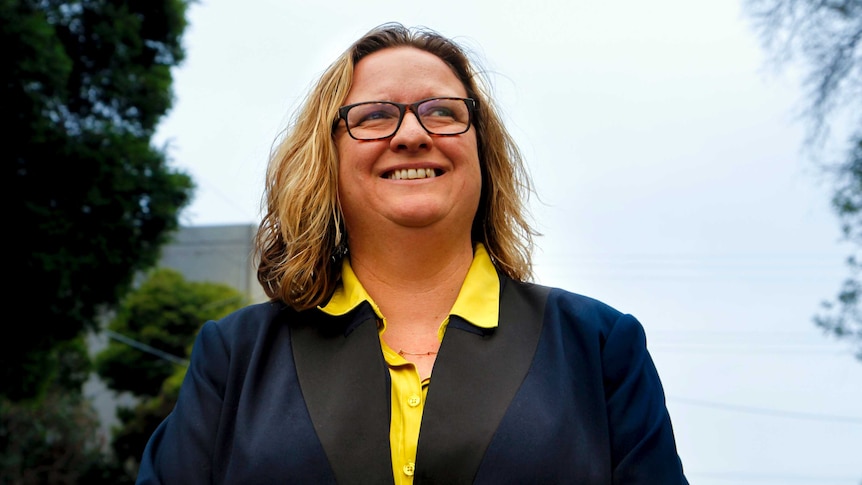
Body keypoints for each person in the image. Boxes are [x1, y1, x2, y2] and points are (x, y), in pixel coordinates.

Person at [136, 22, 689, 484]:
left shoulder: (598, 348)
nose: (411, 134)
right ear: (325, 158)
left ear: (482, 150)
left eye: (443, 112)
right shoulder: (233, 357)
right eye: (375, 115)